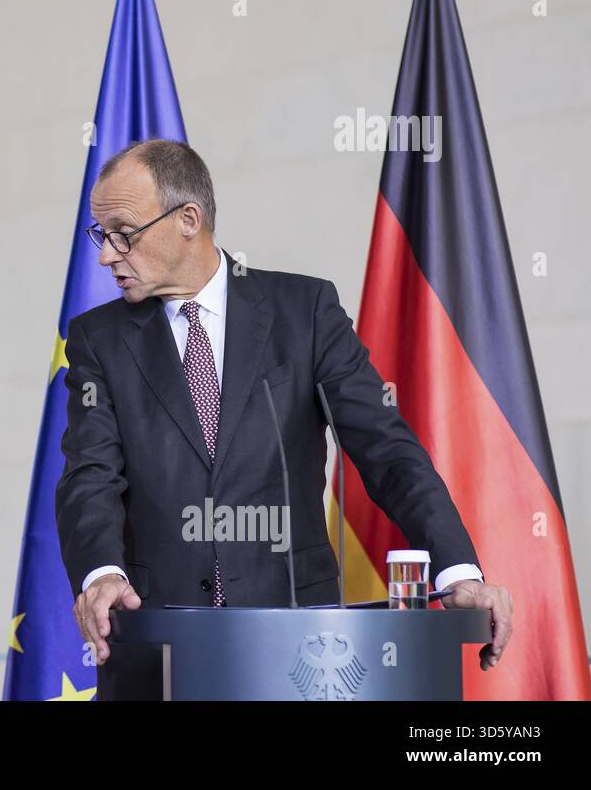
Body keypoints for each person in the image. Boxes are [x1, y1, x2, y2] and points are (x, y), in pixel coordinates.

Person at [56, 138, 512, 699]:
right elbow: (90, 475)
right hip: (157, 645)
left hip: (302, 647)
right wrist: (102, 573)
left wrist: (457, 572)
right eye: (101, 235)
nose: (107, 255)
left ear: (188, 219)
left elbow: (386, 451)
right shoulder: (97, 339)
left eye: (123, 233)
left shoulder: (306, 311)